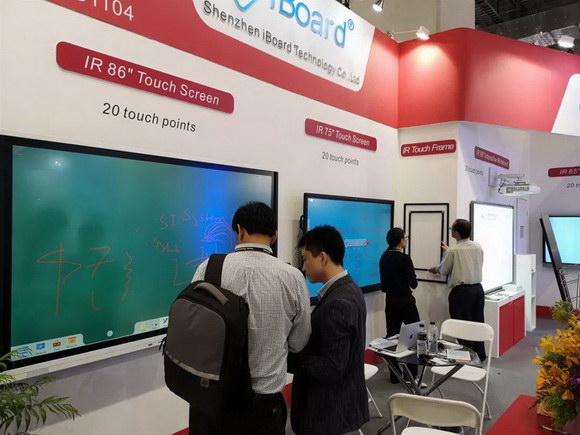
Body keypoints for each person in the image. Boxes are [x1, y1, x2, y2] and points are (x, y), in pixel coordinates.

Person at [189, 202, 311, 435]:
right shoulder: (293, 277)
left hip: (212, 397)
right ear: (274, 236)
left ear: (240, 230)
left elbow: (193, 328)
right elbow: (298, 342)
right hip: (263, 404)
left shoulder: (208, 268)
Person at [290, 225, 369, 435]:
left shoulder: (338, 302)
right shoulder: (350, 289)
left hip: (328, 411)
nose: (304, 267)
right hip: (339, 405)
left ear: (323, 258)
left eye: (306, 259)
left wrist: (290, 357)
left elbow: (332, 366)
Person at [429, 218, 486, 361]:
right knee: (477, 323)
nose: (451, 231)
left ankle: (467, 359)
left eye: (452, 229)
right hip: (478, 290)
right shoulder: (477, 246)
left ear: (457, 233)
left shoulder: (453, 250)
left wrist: (434, 269)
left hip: (462, 293)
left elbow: (444, 269)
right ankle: (479, 356)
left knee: (461, 326)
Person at [379, 227, 420, 383]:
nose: (406, 240)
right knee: (413, 335)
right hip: (405, 300)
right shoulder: (404, 258)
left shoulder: (384, 257)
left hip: (390, 300)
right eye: (405, 238)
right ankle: (411, 375)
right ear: (401, 241)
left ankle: (394, 375)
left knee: (391, 336)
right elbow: (413, 283)